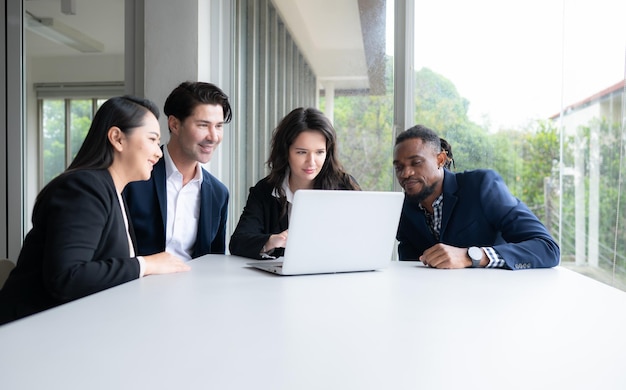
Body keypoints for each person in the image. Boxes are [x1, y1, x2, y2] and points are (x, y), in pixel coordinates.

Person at [0, 96, 190, 325]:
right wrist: (146, 264)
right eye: (152, 139)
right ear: (117, 138)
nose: (158, 152)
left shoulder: (113, 191)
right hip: (26, 336)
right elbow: (67, 277)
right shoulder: (83, 188)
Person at [393, 124, 560, 270]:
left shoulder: (481, 186)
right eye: (399, 167)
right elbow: (411, 267)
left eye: (416, 163)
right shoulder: (404, 208)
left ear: (440, 160)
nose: (406, 173)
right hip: (434, 300)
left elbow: (547, 248)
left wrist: (471, 256)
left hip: (495, 297)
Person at [229, 107, 360, 259]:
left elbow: (363, 238)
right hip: (278, 281)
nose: (311, 162)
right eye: (301, 152)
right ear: (286, 152)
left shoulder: (345, 187)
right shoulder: (265, 190)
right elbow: (238, 242)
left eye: (319, 152)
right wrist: (273, 241)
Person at [123, 81, 232, 260]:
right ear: (174, 124)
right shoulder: (133, 177)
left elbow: (215, 262)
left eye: (219, 126)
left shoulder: (218, 193)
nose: (213, 136)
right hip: (136, 283)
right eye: (203, 125)